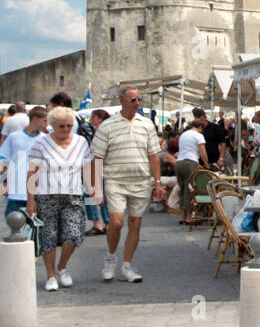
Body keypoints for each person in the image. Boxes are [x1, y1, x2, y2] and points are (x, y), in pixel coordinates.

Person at [91, 87, 161, 283]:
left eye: (139, 99)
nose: (137, 103)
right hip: (115, 180)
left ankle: (127, 265)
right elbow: (96, 158)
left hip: (141, 181)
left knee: (135, 224)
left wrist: (158, 182)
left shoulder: (147, 124)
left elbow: (153, 155)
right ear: (122, 101)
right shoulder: (107, 126)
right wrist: (96, 188)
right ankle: (111, 257)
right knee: (116, 222)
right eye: (133, 100)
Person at [26, 107, 95, 290]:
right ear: (52, 126)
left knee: (73, 233)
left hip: (73, 193)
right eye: (61, 126)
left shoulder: (81, 142)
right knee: (49, 235)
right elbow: (32, 172)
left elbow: (87, 167)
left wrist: (94, 190)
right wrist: (30, 199)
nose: (65, 129)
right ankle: (50, 275)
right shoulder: (41, 144)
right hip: (46, 195)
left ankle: (62, 266)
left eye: (69, 126)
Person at [0, 111, 43, 220]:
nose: (46, 125)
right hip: (16, 186)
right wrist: (4, 182)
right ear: (35, 119)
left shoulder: (45, 138)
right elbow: (4, 159)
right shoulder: (14, 137)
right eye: (44, 121)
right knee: (13, 220)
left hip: (38, 189)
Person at [175, 114, 209, 226]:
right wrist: (206, 165)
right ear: (200, 127)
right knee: (190, 190)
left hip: (179, 163)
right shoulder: (198, 136)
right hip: (190, 163)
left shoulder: (183, 135)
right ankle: (189, 217)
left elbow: (185, 151)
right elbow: (203, 152)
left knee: (183, 188)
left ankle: (182, 216)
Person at [81, 109, 111, 234]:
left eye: (93, 117)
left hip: (96, 164)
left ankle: (97, 223)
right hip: (101, 165)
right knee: (102, 194)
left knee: (91, 194)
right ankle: (106, 222)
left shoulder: (100, 131)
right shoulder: (105, 130)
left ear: (99, 118)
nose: (91, 120)